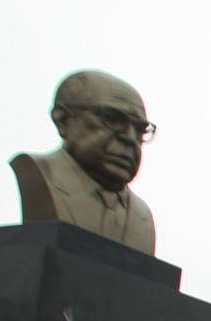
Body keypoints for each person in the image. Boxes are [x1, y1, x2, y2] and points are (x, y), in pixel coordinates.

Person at [11, 70, 158, 254]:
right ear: (63, 120)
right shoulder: (41, 176)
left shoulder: (142, 217)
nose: (130, 138)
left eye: (140, 130)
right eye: (112, 119)